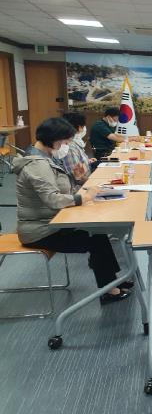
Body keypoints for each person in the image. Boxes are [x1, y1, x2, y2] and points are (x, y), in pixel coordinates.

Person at [14, 118, 131, 305]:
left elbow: (55, 188)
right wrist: (82, 198)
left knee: (98, 235)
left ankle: (112, 282)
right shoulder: (37, 164)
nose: (66, 146)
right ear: (55, 139)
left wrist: (75, 178)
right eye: (66, 142)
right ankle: (109, 290)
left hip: (52, 223)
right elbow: (52, 199)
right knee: (97, 241)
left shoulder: (44, 158)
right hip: (40, 231)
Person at [62, 112, 96, 188]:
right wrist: (95, 184)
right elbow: (77, 177)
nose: (84, 129)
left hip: (88, 179)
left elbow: (78, 162)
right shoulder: (70, 147)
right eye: (83, 126)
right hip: (81, 187)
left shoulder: (76, 142)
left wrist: (88, 161)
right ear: (79, 126)